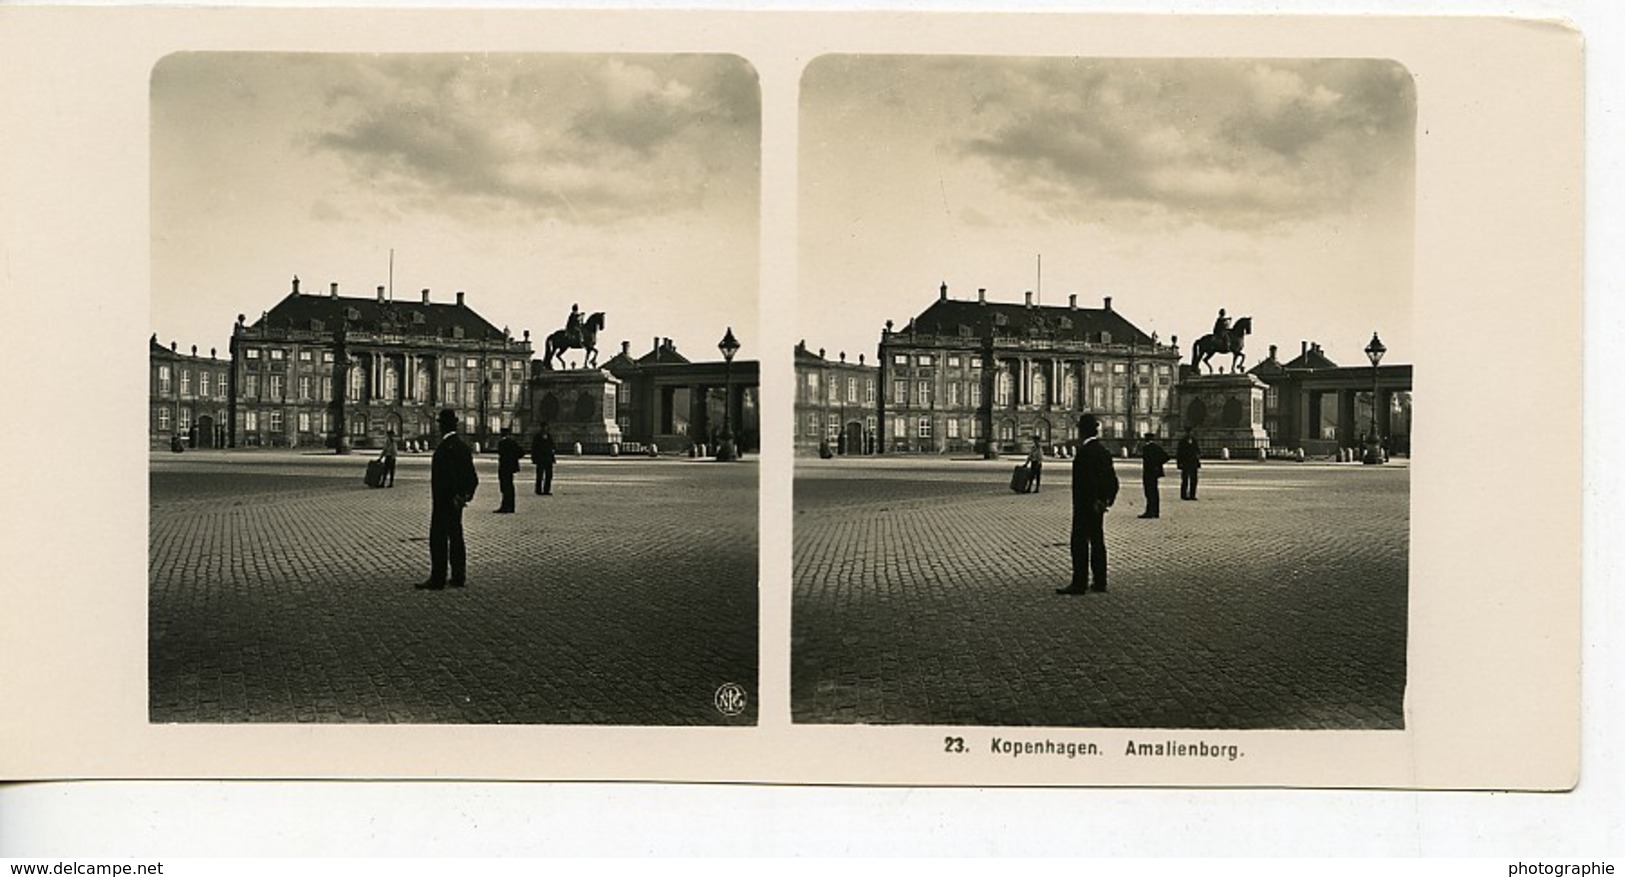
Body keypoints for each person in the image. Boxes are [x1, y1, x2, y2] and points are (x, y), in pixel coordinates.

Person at [1058, 413, 1119, 595]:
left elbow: (1087, 482)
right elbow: (1112, 481)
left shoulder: (1084, 453)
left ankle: (1079, 583)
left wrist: (1092, 500)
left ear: (1081, 431)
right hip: (1097, 506)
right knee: (1098, 542)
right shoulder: (1103, 451)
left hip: (1085, 506)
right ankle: (1100, 582)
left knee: (1079, 543)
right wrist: (1105, 500)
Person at [417, 409, 478, 591]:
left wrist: (453, 495)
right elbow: (472, 478)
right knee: (456, 537)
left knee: (439, 538)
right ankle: (459, 576)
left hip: (444, 501)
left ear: (442, 426)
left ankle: (438, 579)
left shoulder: (445, 449)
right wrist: (464, 496)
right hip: (456, 502)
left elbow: (448, 477)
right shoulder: (462, 447)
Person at [1138, 433, 1171, 519]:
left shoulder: (1146, 448)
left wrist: (1153, 464)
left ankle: (1149, 511)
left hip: (1148, 472)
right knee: (1155, 492)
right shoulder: (1157, 447)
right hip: (1155, 473)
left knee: (1149, 492)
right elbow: (1166, 457)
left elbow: (1148, 461)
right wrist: (1158, 465)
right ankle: (1156, 512)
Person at [494, 427, 523, 513]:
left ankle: (505, 506)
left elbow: (501, 454)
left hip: (504, 467)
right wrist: (514, 460)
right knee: (510, 486)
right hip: (510, 467)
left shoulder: (502, 443)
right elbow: (521, 452)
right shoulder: (513, 442)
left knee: (504, 487)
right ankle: (511, 507)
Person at [531, 423, 556, 496]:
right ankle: (538, 490)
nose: (545, 429)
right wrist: (534, 458)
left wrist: (552, 453)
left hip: (548, 458)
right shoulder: (537, 437)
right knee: (540, 475)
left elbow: (552, 445)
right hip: (540, 458)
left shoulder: (549, 436)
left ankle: (546, 490)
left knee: (549, 475)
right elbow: (534, 448)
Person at [1177, 429, 1202, 501]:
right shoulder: (1182, 442)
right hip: (1185, 462)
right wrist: (1179, 463)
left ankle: (1192, 494)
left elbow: (1197, 451)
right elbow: (1179, 453)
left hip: (1193, 462)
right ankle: (1184, 495)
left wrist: (1197, 460)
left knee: (1194, 480)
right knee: (1185, 479)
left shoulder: (1194, 441)